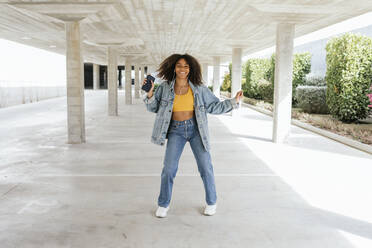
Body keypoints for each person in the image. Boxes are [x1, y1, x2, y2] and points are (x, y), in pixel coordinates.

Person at [142, 54, 243, 218]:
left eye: (186, 66)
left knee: (205, 167)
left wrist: (233, 102)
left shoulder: (199, 88)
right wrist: (150, 92)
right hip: (175, 130)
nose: (182, 69)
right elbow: (152, 108)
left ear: (191, 69)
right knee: (168, 169)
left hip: (196, 129)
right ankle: (163, 204)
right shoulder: (165, 87)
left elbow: (214, 106)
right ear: (174, 68)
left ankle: (212, 202)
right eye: (179, 65)